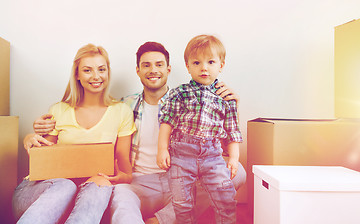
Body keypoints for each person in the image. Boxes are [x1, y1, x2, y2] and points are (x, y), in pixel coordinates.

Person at [32, 41, 246, 224]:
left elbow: (223, 148)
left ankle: (160, 220)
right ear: (138, 70)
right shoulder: (124, 106)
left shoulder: (190, 102)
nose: (153, 70)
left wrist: (229, 105)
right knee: (122, 204)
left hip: (181, 179)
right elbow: (80, 130)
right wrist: (34, 133)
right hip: (138, 182)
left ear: (169, 69)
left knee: (238, 174)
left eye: (159, 65)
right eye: (146, 65)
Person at [12, 44, 136, 224]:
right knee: (65, 184)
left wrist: (122, 177)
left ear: (108, 73)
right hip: (39, 194)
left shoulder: (121, 112)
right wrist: (29, 139)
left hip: (88, 193)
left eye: (101, 69)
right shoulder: (59, 110)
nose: (96, 76)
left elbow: (123, 162)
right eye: (87, 70)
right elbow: (43, 160)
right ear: (77, 74)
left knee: (100, 185)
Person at [157, 34, 241, 223]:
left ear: (221, 65)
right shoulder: (179, 93)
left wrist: (234, 158)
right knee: (182, 204)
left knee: (226, 199)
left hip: (212, 156)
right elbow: (167, 122)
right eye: (196, 63)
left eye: (210, 62)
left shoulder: (226, 97)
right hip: (181, 155)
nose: (204, 67)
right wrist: (162, 149)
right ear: (187, 66)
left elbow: (232, 130)